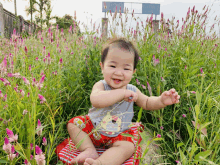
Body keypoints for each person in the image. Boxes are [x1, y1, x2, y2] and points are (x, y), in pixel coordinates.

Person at [67, 37, 180, 165]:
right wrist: (121, 93)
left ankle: (100, 162)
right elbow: (96, 100)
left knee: (128, 147)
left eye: (126, 69)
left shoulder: (132, 90)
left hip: (118, 134)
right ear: (102, 67)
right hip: (94, 129)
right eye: (113, 66)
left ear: (133, 72)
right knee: (73, 124)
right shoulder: (101, 85)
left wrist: (161, 100)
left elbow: (147, 102)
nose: (119, 72)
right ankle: (88, 149)